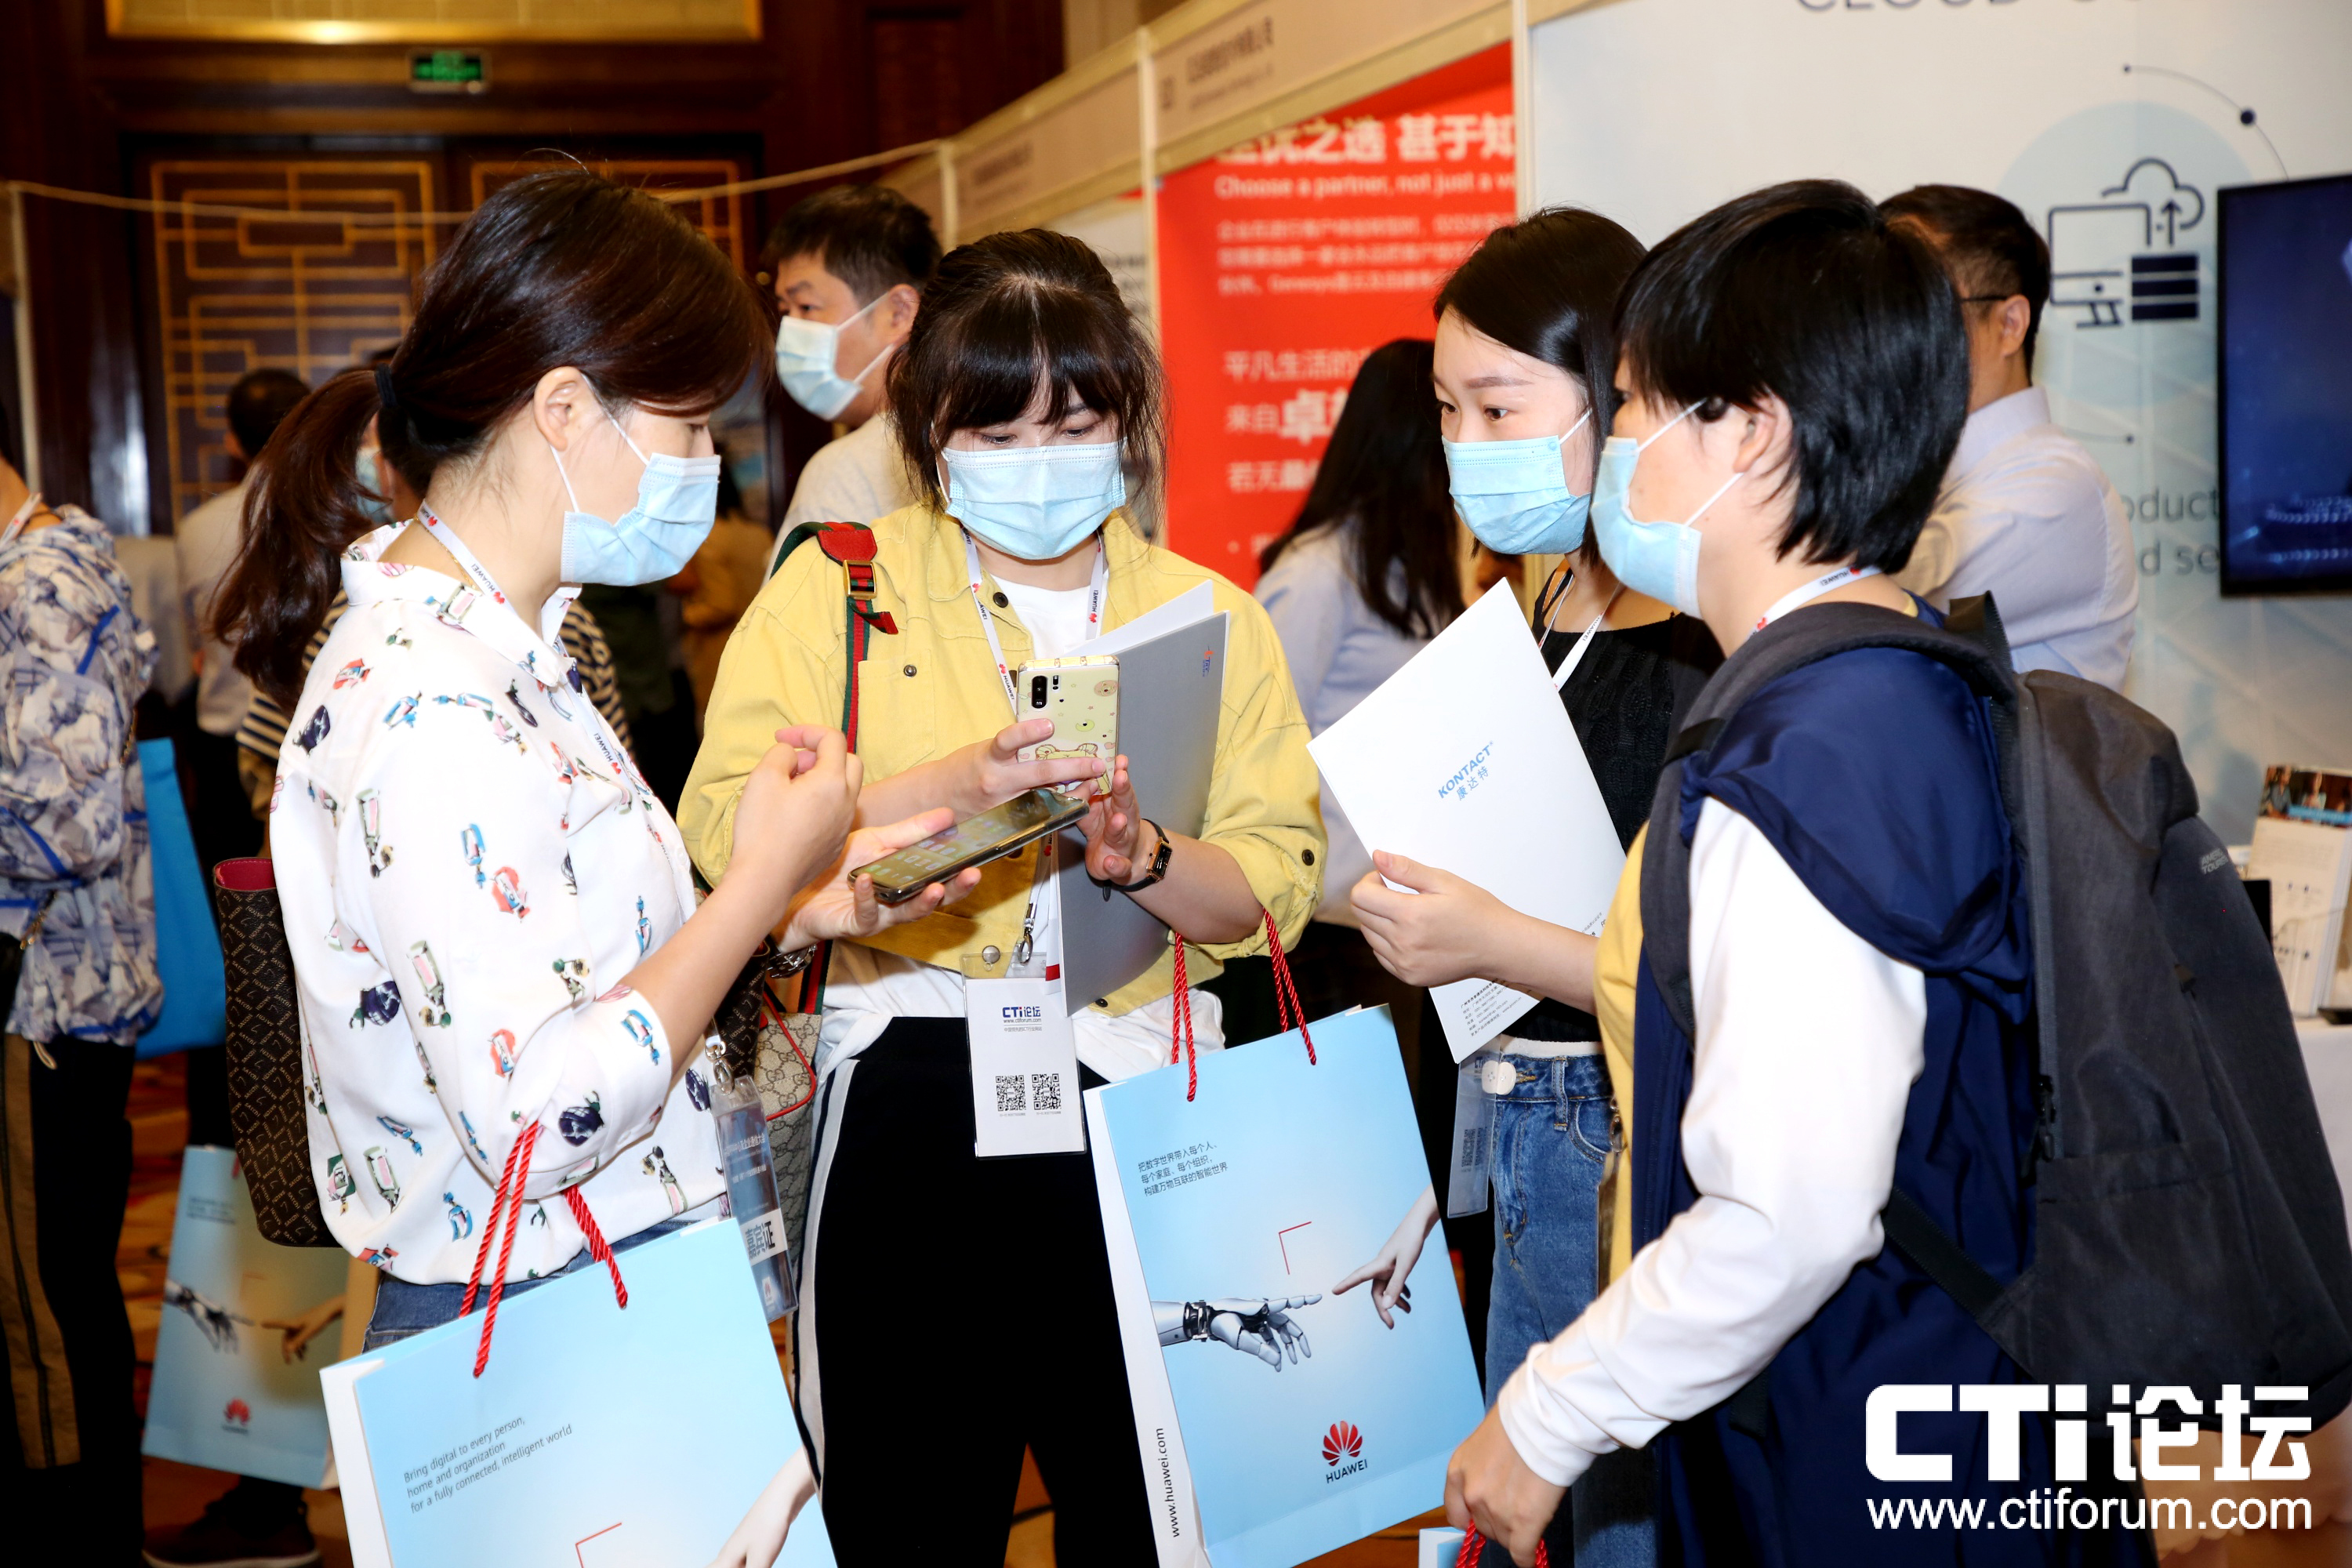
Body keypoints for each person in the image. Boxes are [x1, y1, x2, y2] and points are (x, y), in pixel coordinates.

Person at [206, 166, 971, 1432]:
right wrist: (757, 886)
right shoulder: (434, 703)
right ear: (565, 409)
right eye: (689, 428)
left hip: (598, 1285)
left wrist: (797, 912)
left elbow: (579, 969)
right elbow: (539, 1116)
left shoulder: (509, 644)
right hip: (537, 1328)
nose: (706, 466)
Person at [1447, 180, 2134, 1566]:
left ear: (1750, 433)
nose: (1614, 449)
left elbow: (1788, 1209)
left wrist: (1548, 1414)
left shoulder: (1807, 748)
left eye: (1632, 406)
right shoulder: (1906, 667)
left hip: (1860, 1437)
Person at [681, 228, 1323, 1568]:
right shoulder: (838, 591)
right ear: (930, 429)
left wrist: (1144, 855)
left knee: (1152, 1511)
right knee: (905, 1513)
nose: (1041, 463)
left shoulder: (1211, 617)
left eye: (1075, 427)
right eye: (998, 432)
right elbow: (730, 831)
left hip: (1142, 1094)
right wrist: (956, 784)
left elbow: (1271, 888)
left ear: (1127, 420)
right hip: (908, 1084)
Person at [1334, 209, 1715, 1568]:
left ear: (1620, 394)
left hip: (1617, 1138)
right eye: (1448, 411)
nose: (1467, 444)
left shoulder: (1702, 639)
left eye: (1500, 407)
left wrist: (1487, 937)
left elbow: (1688, 975)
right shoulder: (1542, 603)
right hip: (1517, 1116)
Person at [0, 485, 161, 1567]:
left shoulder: (37, 588)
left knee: (43, 1329)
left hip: (40, 1003)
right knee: (60, 1304)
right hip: (57, 997)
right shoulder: (48, 572)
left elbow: (67, 826)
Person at [1251, 337, 1457, 1073]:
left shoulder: (1418, 569)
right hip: (1334, 924)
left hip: (1404, 911)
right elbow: (1254, 742)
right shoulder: (1317, 573)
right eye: (1453, 415)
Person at [1881, 184, 2136, 690]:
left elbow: (1865, 604)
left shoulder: (2056, 487)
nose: (1890, 337)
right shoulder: (1917, 470)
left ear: (2009, 324)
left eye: (1918, 310)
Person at [766, 183, 937, 567]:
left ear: (899, 313)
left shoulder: (844, 471)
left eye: (806, 306)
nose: (791, 330)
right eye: (786, 310)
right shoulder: (979, 435)